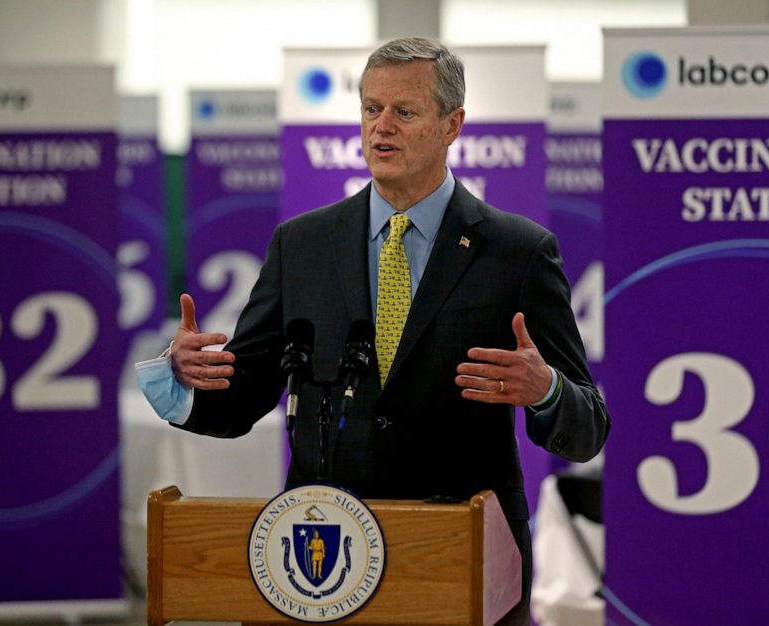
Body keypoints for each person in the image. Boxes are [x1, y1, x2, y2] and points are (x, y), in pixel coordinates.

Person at [137, 36, 609, 626]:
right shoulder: (301, 245)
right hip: (321, 556)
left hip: (460, 555)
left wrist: (545, 391)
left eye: (404, 112)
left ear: (452, 124)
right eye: (370, 109)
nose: (381, 127)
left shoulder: (517, 252)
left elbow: (587, 428)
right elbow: (240, 399)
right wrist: (186, 377)